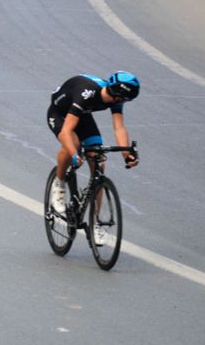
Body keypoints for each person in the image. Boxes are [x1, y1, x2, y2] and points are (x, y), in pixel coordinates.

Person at [45, 73, 140, 236]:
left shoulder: (118, 97)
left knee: (98, 163)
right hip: (60, 114)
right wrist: (74, 154)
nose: (117, 102)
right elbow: (67, 130)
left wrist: (127, 154)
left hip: (82, 114)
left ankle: (97, 222)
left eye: (122, 100)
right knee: (72, 145)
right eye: (115, 97)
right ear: (110, 90)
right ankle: (59, 183)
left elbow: (119, 127)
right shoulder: (87, 93)